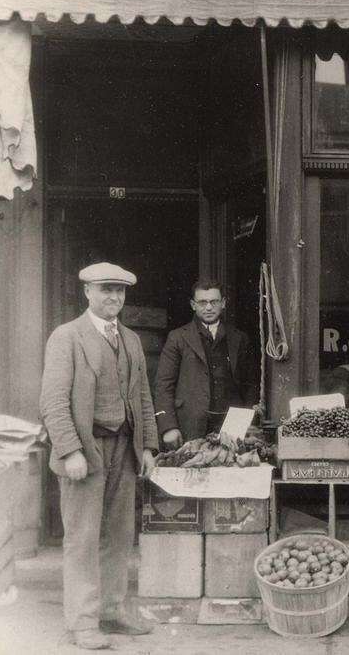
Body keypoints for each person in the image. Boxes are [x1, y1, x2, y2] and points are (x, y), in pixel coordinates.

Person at [39, 262, 158, 650]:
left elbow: (142, 398)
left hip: (124, 449)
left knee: (120, 535)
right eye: (106, 290)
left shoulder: (131, 340)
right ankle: (84, 622)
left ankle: (113, 610)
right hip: (86, 449)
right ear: (87, 292)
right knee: (83, 538)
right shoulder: (67, 337)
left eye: (120, 292)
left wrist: (148, 447)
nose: (114, 298)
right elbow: (53, 401)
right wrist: (70, 450)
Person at [155, 278, 256, 449]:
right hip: (189, 424)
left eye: (214, 302)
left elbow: (250, 385)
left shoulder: (239, 338)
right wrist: (168, 427)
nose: (208, 307)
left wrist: (248, 422)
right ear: (193, 305)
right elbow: (163, 386)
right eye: (202, 302)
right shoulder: (177, 337)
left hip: (232, 425)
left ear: (223, 303)